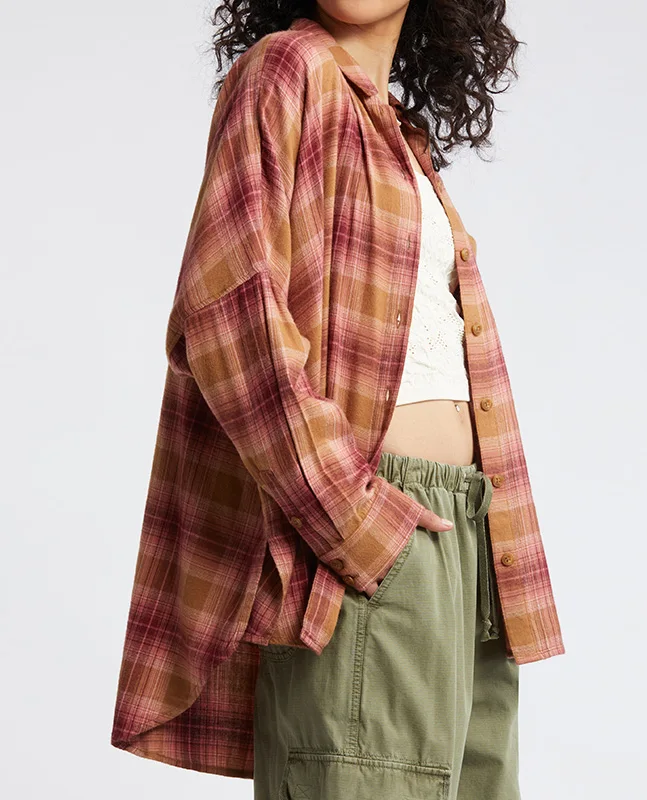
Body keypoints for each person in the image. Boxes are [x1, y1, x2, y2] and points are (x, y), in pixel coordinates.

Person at [111, 3, 566, 798]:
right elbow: (228, 313)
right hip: (373, 541)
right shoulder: (287, 70)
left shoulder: (397, 133)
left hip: (470, 542)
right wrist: (353, 517)